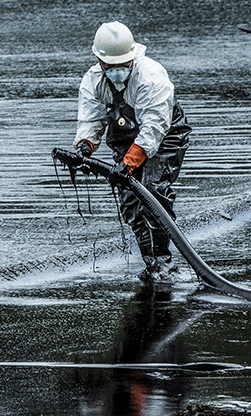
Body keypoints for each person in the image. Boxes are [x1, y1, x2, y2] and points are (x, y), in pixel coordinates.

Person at [74, 21, 191, 283]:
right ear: (99, 61)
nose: (116, 71)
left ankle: (164, 261)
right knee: (131, 201)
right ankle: (150, 263)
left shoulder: (150, 76)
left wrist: (129, 163)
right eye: (110, 66)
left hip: (165, 135)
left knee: (152, 190)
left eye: (122, 65)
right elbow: (91, 121)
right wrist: (85, 146)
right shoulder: (93, 81)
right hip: (125, 137)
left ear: (132, 57)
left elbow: (154, 128)